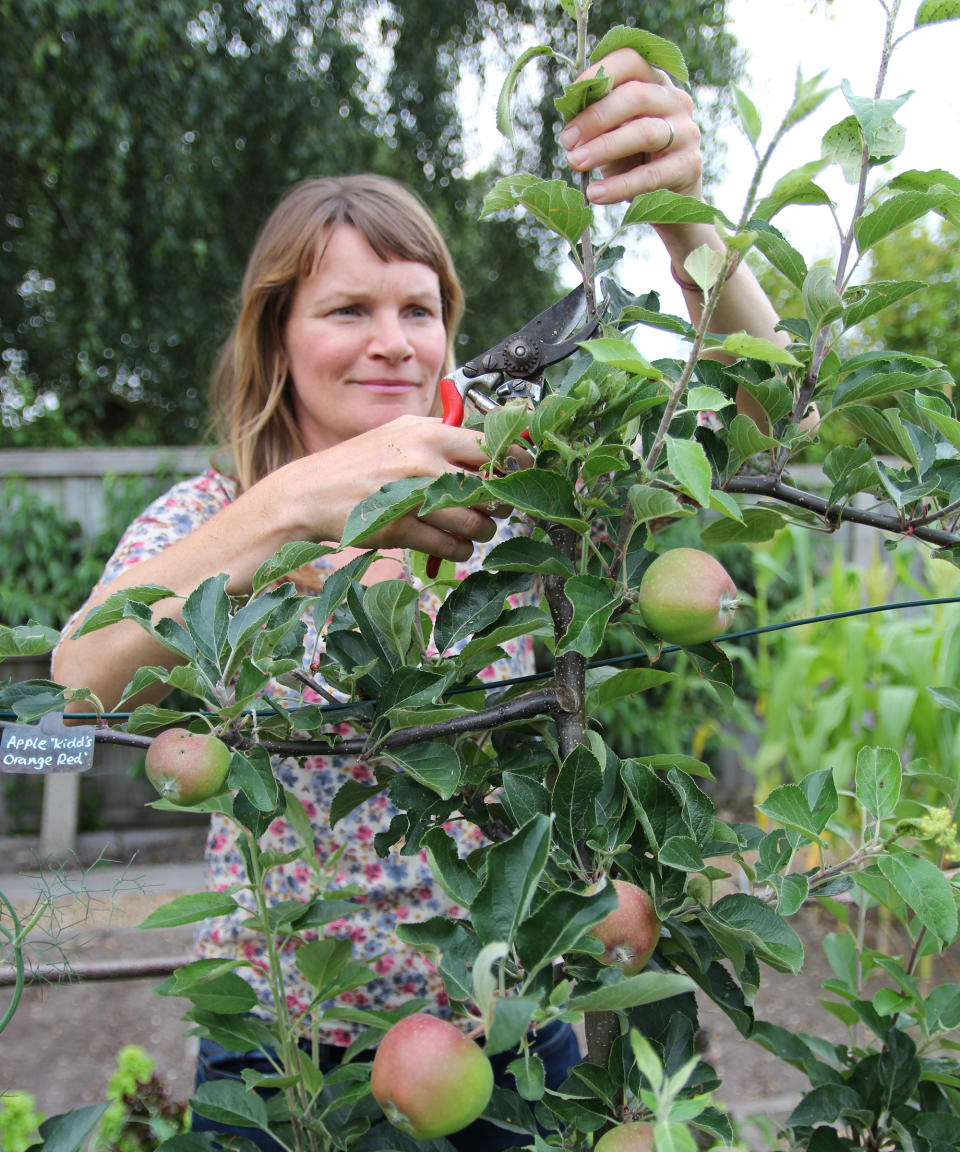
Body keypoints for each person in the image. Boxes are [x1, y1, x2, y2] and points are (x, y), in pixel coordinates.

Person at [54, 50, 785, 1151]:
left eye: (421, 307)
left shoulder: (521, 498)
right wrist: (294, 506)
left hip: (506, 1045)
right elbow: (70, 690)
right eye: (348, 308)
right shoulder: (212, 520)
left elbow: (772, 427)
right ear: (277, 337)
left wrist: (687, 222)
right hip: (285, 1062)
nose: (394, 341)